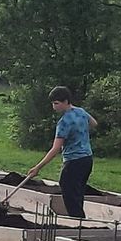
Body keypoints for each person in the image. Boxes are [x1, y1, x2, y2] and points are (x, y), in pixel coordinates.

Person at [27, 86, 98, 219]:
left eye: (56, 103)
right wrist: (80, 134)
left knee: (70, 194)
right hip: (87, 160)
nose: (54, 107)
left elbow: (55, 149)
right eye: (53, 103)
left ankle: (78, 224)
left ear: (66, 101)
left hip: (73, 161)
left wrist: (37, 167)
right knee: (78, 194)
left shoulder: (64, 123)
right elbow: (93, 123)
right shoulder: (81, 111)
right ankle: (80, 221)